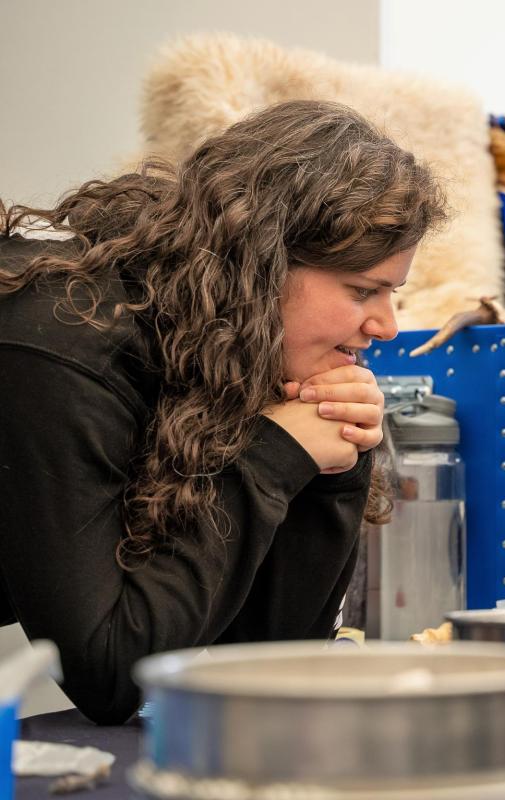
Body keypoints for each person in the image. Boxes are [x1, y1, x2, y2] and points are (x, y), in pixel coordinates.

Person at [0, 99, 446, 724]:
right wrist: (273, 459)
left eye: (391, 294)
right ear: (262, 265)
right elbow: (111, 672)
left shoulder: (221, 342)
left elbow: (266, 668)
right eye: (362, 290)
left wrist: (330, 470)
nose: (387, 326)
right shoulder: (60, 340)